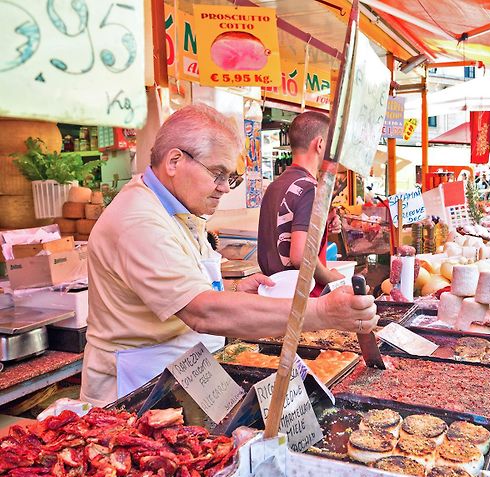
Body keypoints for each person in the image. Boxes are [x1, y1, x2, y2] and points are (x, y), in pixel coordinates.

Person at [80, 104, 378, 407]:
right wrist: (321, 312)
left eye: (230, 178)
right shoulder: (139, 220)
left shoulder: (177, 209)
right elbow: (201, 311)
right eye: (218, 174)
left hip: (183, 374)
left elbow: (185, 287)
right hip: (135, 390)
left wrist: (232, 289)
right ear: (174, 161)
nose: (224, 188)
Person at [257, 111, 344, 295]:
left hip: (274, 295)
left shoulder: (275, 186)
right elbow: (301, 256)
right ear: (320, 144)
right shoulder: (311, 189)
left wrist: (323, 223)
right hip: (303, 301)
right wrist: (332, 277)